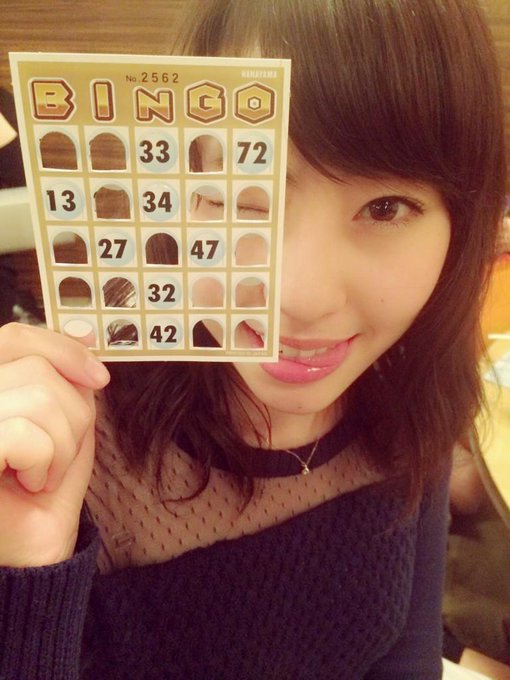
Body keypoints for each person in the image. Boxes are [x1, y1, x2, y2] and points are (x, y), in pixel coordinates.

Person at [0, 0, 506, 678]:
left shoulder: (407, 387)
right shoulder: (68, 450)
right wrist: (26, 576)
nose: (302, 297)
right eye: (239, 196)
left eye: (386, 207)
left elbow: (405, 658)